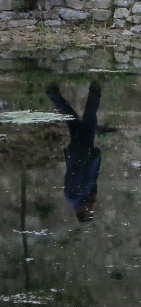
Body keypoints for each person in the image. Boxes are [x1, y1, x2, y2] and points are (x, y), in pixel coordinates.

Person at [46, 81, 102, 222]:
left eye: (90, 211)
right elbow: (91, 180)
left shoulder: (73, 196)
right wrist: (93, 193)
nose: (91, 209)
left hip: (80, 151)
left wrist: (92, 156)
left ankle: (96, 88)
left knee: (90, 120)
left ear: (82, 211)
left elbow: (78, 171)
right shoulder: (82, 198)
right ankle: (53, 93)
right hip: (80, 151)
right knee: (73, 120)